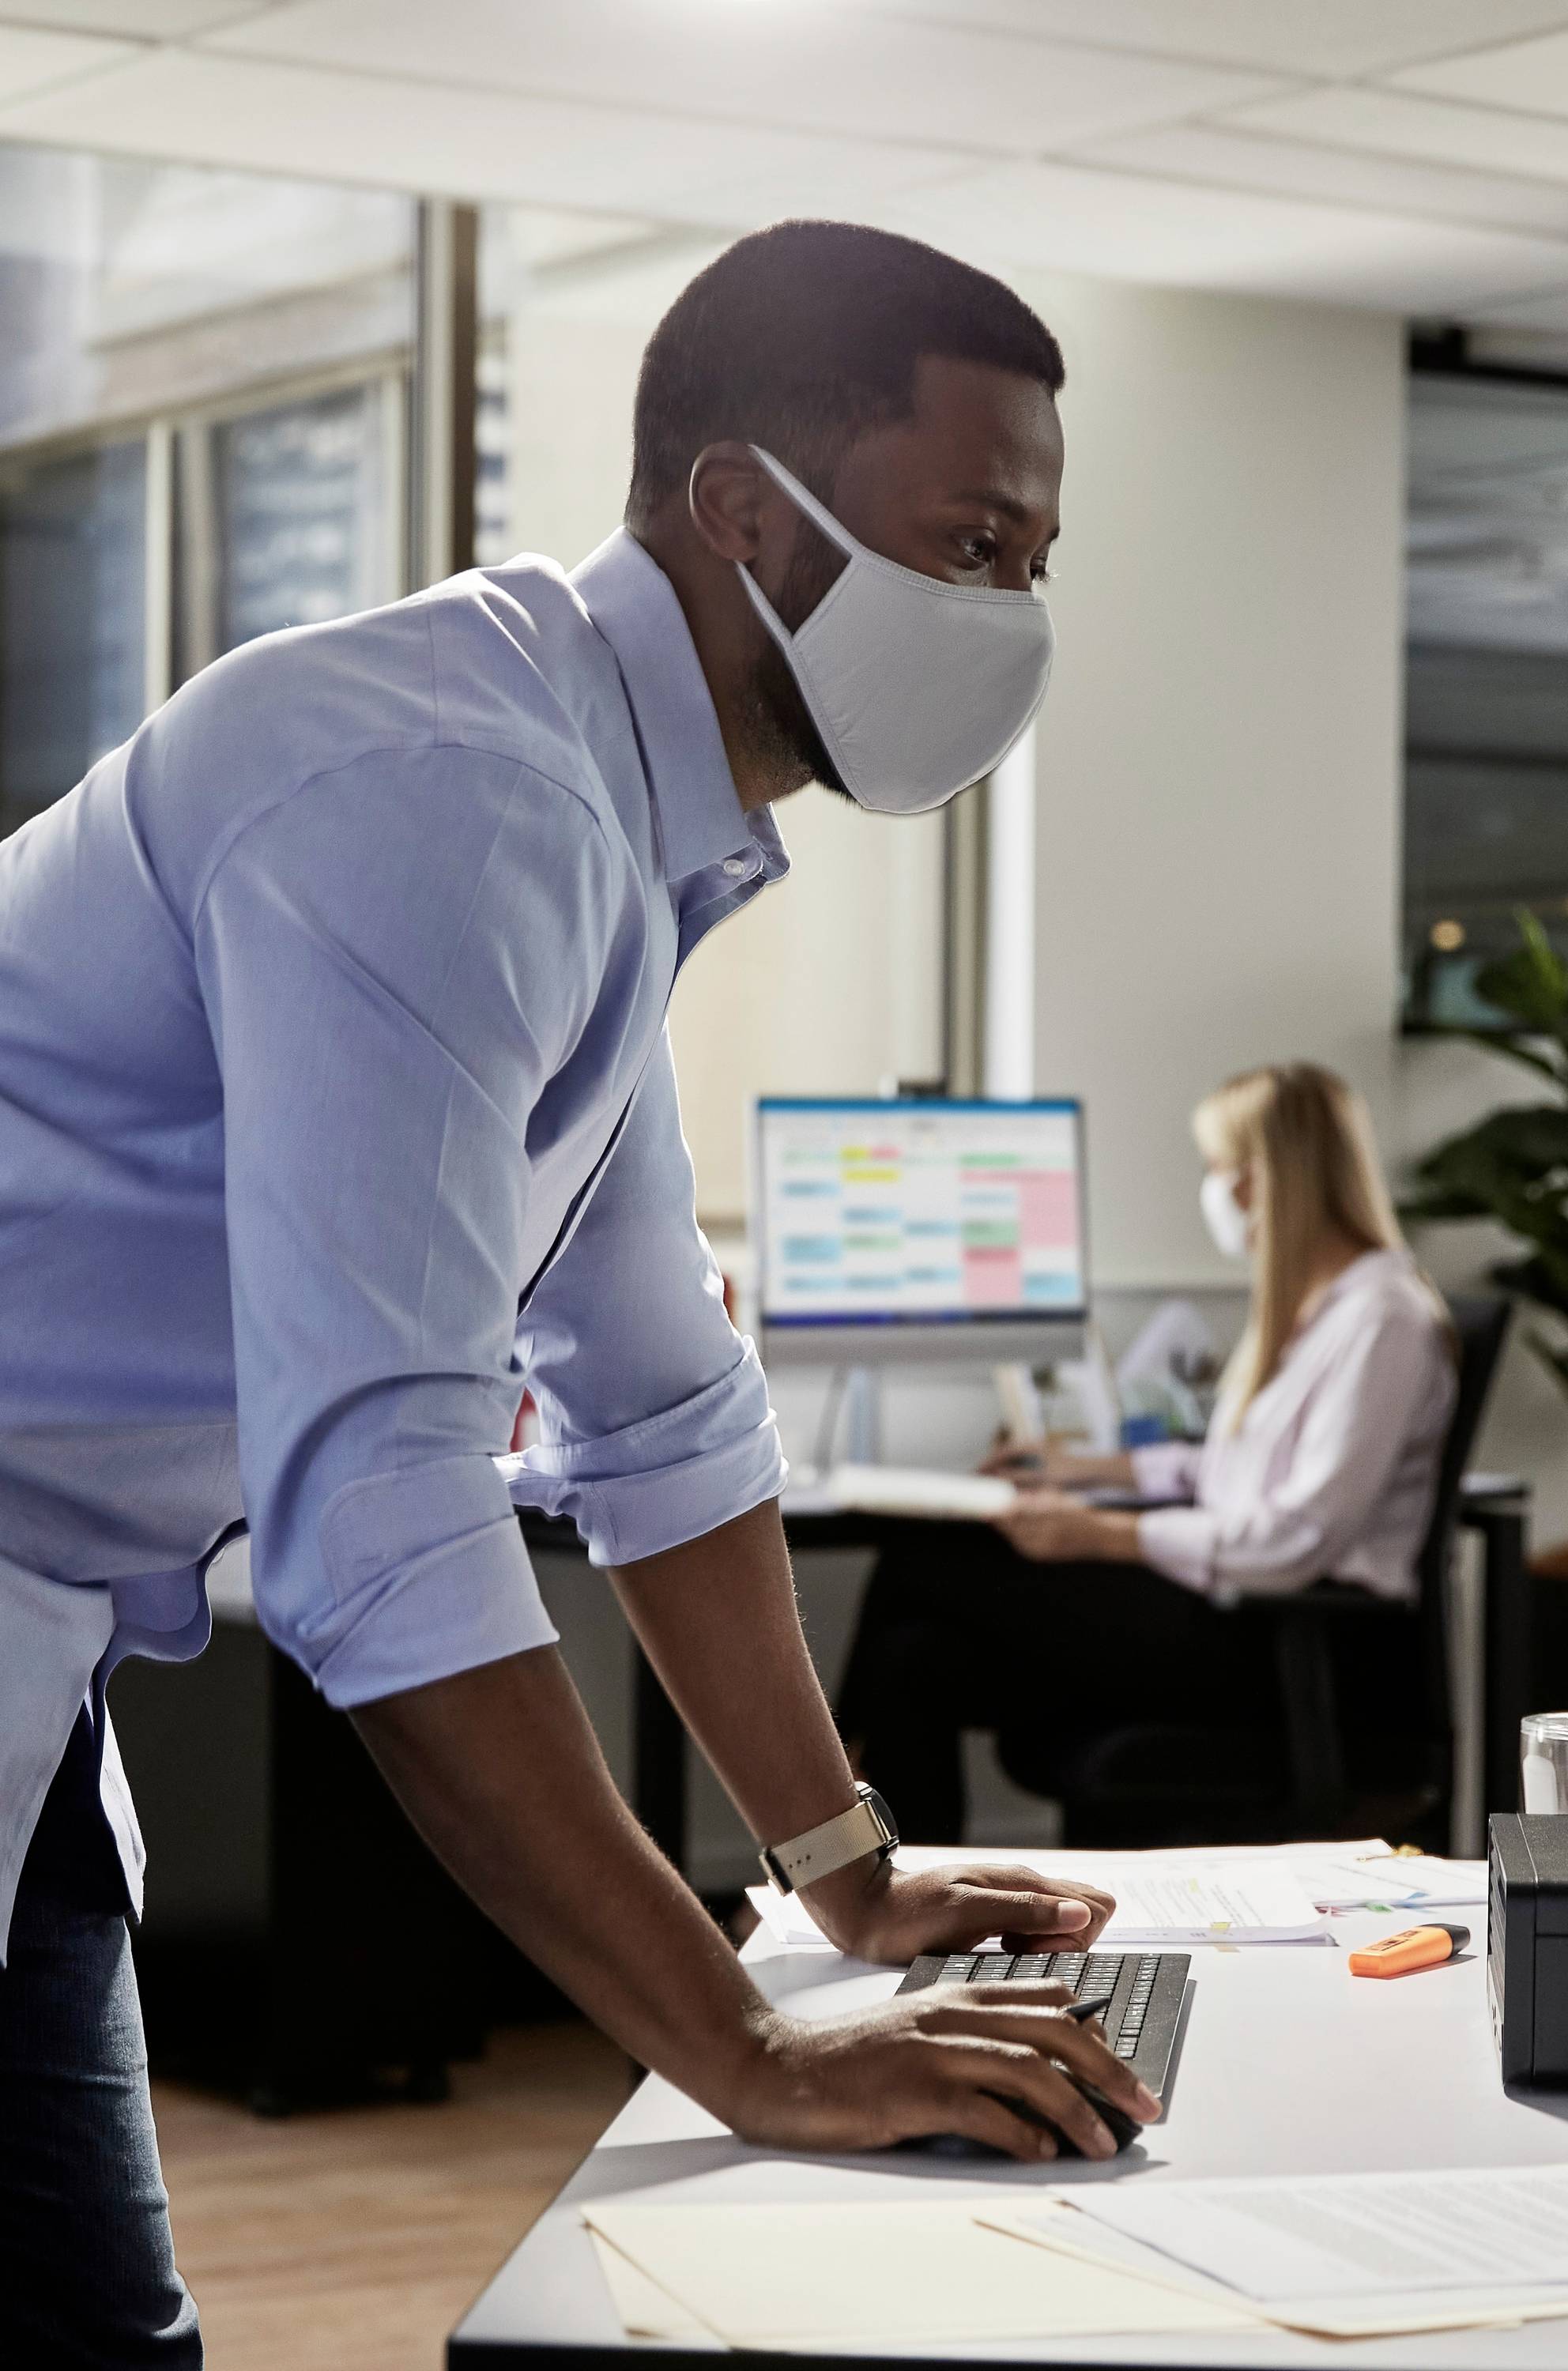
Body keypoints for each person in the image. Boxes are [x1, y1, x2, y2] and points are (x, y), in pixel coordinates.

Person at [0, 221, 1163, 2367]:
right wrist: (752, 2048)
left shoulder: (596, 807)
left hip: (43, 1640)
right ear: (746, 512)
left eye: (1034, 559)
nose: (1012, 616)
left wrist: (850, 1876)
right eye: (970, 543)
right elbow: (382, 1519)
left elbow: (658, 1399)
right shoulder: (455, 792)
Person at [835, 1063, 1457, 1842]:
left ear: (1262, 1181)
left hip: (1284, 1641)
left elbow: (1294, 1537)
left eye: (1222, 1167)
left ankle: (821, 1837)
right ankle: (899, 1903)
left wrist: (1100, 1534)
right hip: (1233, 1614)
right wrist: (1088, 1470)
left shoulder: (1384, 1320)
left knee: (921, 1561)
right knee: (913, 1660)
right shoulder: (1316, 1312)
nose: (1218, 1192)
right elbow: (1229, 1471)